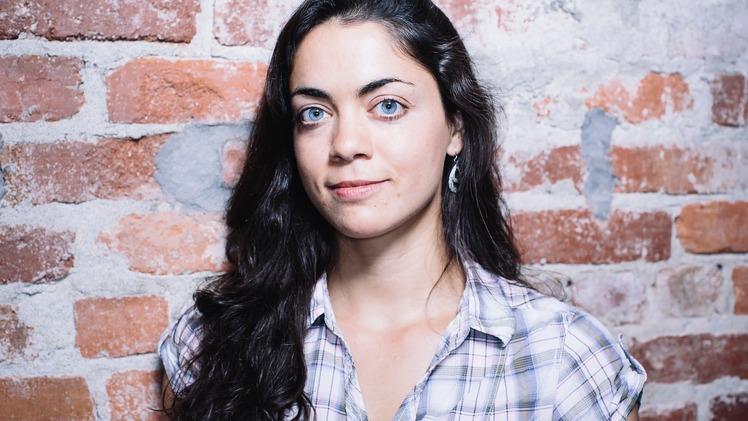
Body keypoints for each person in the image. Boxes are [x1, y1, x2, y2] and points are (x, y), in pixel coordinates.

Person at [156, 0, 647, 419]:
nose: (345, 144)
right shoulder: (211, 341)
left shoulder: (563, 359)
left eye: (387, 106)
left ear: (455, 128)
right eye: (315, 113)